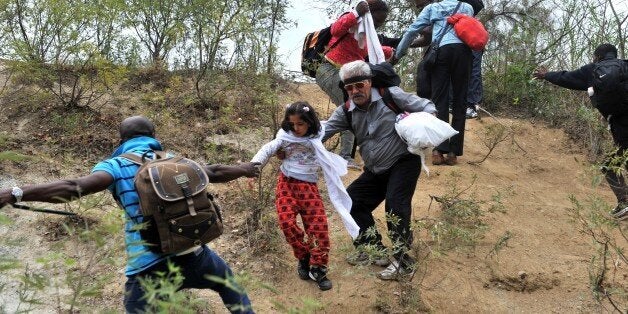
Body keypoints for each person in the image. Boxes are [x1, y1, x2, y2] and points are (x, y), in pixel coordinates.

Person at [0, 116, 261, 313]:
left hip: (150, 267)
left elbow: (73, 188)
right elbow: (214, 172)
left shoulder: (114, 166)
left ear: (121, 141)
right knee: (230, 287)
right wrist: (245, 168)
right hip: (196, 255)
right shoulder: (174, 159)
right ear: (153, 135)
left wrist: (16, 193)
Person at [322, 60, 437, 280]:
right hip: (375, 170)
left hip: (404, 162)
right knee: (351, 200)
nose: (355, 91)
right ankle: (374, 250)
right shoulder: (346, 110)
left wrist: (423, 124)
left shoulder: (390, 96)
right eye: (349, 88)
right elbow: (322, 132)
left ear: (369, 82)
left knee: (396, 207)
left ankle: (404, 262)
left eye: (360, 85)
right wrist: (290, 144)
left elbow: (427, 106)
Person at [250, 102, 358, 291]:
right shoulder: (284, 137)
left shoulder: (318, 134)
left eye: (300, 124)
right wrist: (253, 167)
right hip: (287, 184)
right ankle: (304, 256)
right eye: (292, 124)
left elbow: (338, 123)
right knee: (286, 222)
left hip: (309, 186)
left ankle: (318, 268)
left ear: (309, 122)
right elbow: (268, 149)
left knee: (318, 226)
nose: (296, 128)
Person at [533, 43, 628, 221]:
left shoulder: (592, 70)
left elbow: (568, 78)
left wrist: (547, 75)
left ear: (598, 57)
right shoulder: (625, 65)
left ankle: (624, 203)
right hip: (622, 127)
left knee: (609, 166)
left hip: (621, 126)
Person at [315, 0, 396, 169]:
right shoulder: (352, 19)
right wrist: (356, 13)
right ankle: (343, 156)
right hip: (329, 70)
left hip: (345, 75)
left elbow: (372, 50)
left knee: (351, 110)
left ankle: (311, 144)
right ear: (368, 15)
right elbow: (336, 29)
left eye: (382, 22)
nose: (379, 25)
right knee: (350, 110)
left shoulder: (366, 34)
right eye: (377, 20)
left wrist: (393, 51)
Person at [393, 0, 474, 166]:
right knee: (460, 100)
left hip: (441, 54)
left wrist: (398, 53)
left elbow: (412, 31)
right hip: (463, 53)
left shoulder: (433, 8)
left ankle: (438, 151)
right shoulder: (467, 7)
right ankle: (453, 153)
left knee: (439, 100)